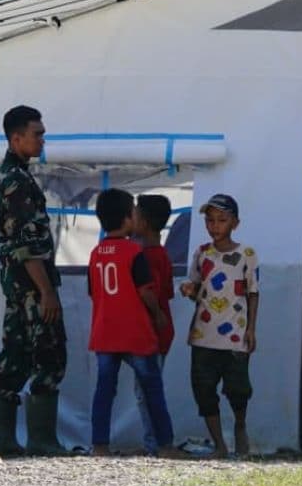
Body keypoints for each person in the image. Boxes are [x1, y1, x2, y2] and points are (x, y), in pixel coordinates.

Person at [0, 105, 67, 457]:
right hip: (32, 287)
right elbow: (25, 245)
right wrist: (46, 291)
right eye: (37, 133)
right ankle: (41, 441)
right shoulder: (16, 181)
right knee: (49, 355)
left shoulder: (13, 174)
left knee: (15, 356)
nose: (42, 139)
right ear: (15, 137)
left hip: (18, 287)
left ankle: (4, 441)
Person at [87, 189, 179, 457]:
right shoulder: (133, 252)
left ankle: (100, 445)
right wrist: (158, 313)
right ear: (128, 219)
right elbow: (145, 291)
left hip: (104, 332)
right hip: (134, 332)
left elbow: (93, 291)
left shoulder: (95, 253)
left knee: (104, 390)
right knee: (152, 389)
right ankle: (165, 445)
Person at [181, 194, 259, 458]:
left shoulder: (246, 254)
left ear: (235, 223)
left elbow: (252, 293)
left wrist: (250, 329)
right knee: (203, 389)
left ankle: (240, 425)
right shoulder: (202, 253)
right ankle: (219, 445)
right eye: (210, 220)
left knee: (238, 388)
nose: (215, 226)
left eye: (222, 220)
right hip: (204, 335)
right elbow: (195, 287)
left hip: (234, 335)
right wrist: (189, 290)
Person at [133, 194, 176, 455]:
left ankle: (155, 443)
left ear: (145, 222)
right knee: (149, 388)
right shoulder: (161, 254)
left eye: (135, 215)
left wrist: (155, 313)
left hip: (152, 332)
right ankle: (157, 442)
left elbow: (151, 293)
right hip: (161, 330)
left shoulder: (146, 257)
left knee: (145, 391)